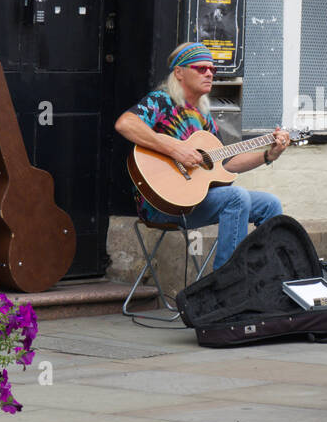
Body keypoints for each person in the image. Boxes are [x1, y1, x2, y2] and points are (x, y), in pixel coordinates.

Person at [114, 41, 289, 268]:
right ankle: (226, 284)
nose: (209, 74)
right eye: (201, 68)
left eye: (212, 70)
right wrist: (174, 148)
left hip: (197, 201)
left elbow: (226, 163)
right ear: (179, 72)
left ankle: (267, 276)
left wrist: (268, 156)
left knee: (270, 204)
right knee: (236, 198)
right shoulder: (161, 101)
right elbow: (125, 123)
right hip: (160, 205)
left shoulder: (204, 117)